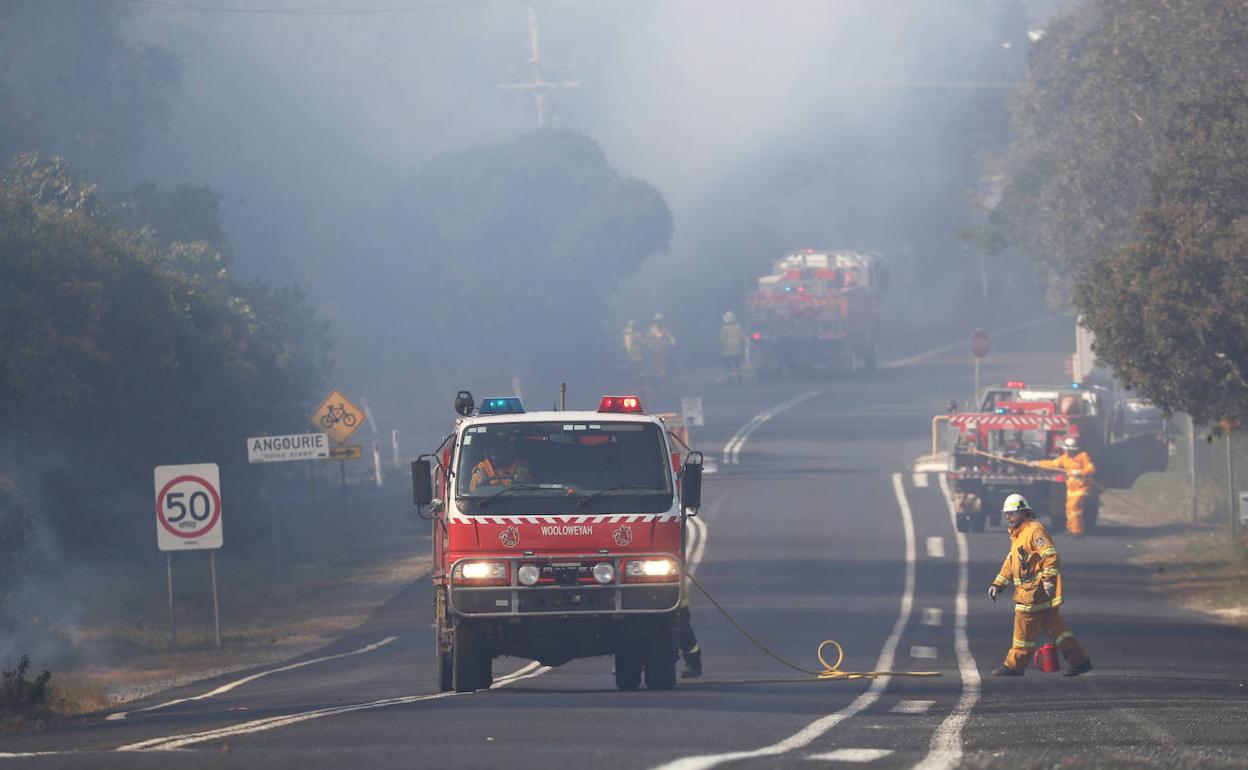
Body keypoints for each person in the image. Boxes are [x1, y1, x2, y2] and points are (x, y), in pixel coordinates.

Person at [988, 493, 1093, 677]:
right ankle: (1080, 661)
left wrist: (1048, 580)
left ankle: (1014, 665)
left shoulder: (1034, 531)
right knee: (1057, 629)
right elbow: (1011, 562)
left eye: (1011, 513)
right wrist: (998, 584)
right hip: (1034, 593)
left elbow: (1050, 556)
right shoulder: (1019, 534)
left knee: (1023, 630)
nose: (1008, 517)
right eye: (1006, 513)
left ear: (1023, 512)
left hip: (1033, 594)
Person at [1033, 436, 1095, 537]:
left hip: (1081, 488)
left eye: (1071, 450)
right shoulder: (1064, 458)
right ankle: (1071, 528)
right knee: (1069, 509)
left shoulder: (1083, 456)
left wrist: (1080, 472)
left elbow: (1091, 469)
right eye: (1068, 450)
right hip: (1071, 489)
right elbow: (1053, 464)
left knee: (1075, 508)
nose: (1069, 452)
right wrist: (1038, 463)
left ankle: (1077, 531)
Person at [647, 313, 676, 382]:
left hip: (663, 348)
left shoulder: (664, 329)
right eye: (657, 321)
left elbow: (669, 336)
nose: (659, 323)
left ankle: (662, 375)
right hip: (655, 348)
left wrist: (673, 341)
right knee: (658, 362)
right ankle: (660, 375)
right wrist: (649, 345)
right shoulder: (651, 329)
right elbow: (647, 338)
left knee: (661, 362)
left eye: (660, 321)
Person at [719, 311, 746, 384]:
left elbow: (722, 339)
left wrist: (720, 346)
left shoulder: (724, 328)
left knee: (728, 365)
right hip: (737, 348)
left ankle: (730, 379)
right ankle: (740, 378)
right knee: (737, 364)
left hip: (727, 349)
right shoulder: (738, 326)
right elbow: (741, 336)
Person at [622, 320, 647, 385]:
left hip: (636, 352)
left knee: (637, 365)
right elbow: (626, 344)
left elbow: (643, 342)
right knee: (634, 366)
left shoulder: (636, 334)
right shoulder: (627, 335)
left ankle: (637, 378)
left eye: (631, 326)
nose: (630, 328)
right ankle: (635, 379)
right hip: (632, 352)